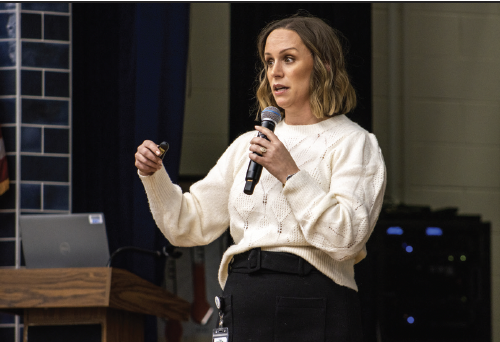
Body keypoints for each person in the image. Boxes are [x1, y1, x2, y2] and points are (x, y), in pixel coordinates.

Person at [135, 13, 386, 342]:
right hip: (244, 297)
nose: (275, 72)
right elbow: (187, 225)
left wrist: (289, 173)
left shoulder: (354, 142)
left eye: (289, 59)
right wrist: (154, 176)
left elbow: (347, 238)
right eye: (269, 61)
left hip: (314, 300)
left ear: (323, 65)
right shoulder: (247, 145)